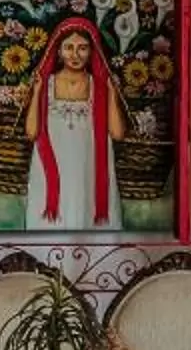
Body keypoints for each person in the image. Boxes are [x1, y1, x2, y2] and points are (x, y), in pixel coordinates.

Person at [21, 16, 128, 230]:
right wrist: (36, 92)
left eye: (82, 48)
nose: (75, 55)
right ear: (59, 51)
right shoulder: (46, 85)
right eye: (69, 47)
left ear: (92, 51)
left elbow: (117, 134)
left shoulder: (98, 86)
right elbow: (31, 133)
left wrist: (111, 92)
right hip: (51, 166)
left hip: (88, 168)